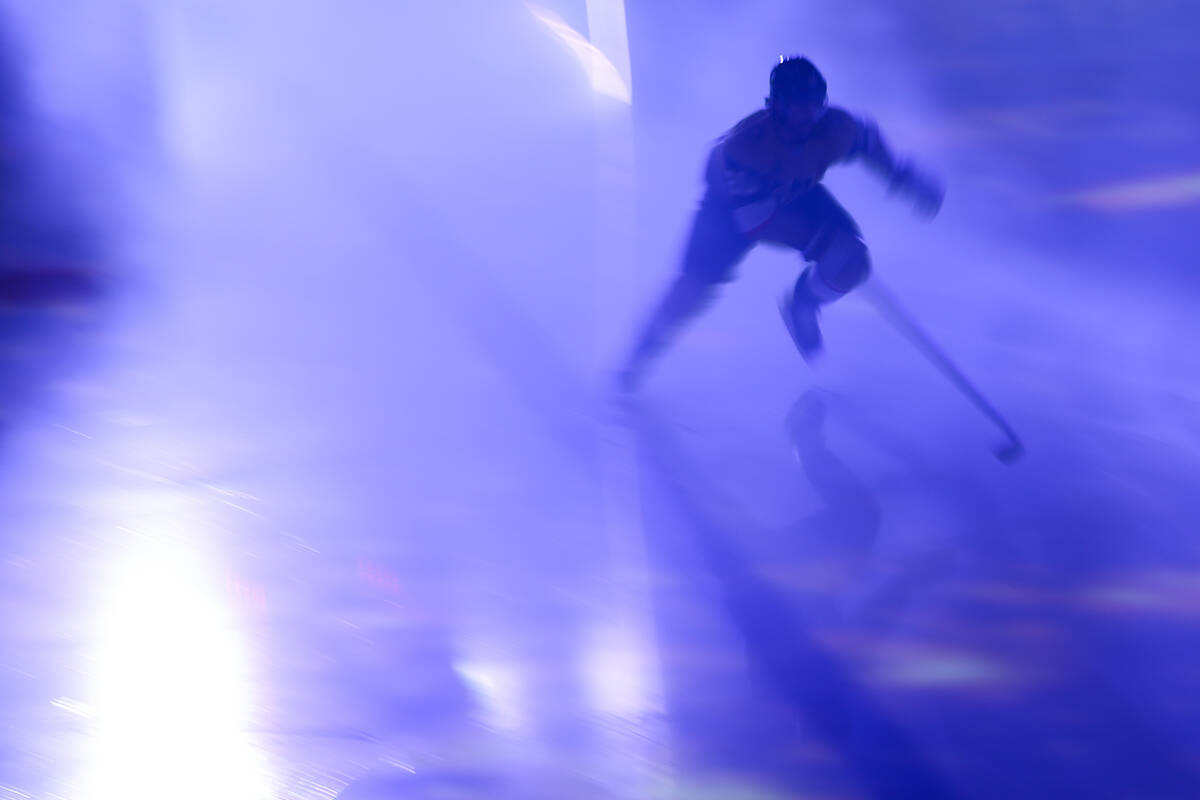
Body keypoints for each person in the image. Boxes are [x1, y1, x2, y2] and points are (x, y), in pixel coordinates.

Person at [618, 56, 943, 392]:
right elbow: (757, 224)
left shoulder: (835, 129)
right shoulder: (747, 147)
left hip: (791, 191)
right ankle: (638, 357)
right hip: (727, 208)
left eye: (813, 108)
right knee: (692, 288)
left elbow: (868, 142)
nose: (805, 119)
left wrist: (901, 177)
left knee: (853, 263)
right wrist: (819, 244)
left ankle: (804, 302)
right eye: (795, 108)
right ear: (774, 107)